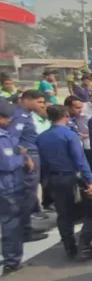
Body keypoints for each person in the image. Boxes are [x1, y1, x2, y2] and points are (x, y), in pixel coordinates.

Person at [37, 104, 92, 261]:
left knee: (64, 215)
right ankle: (86, 245)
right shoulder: (69, 135)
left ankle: (69, 248)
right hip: (73, 178)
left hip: (55, 178)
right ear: (66, 115)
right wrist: (90, 181)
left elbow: (43, 164)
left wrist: (45, 181)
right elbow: (80, 161)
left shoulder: (42, 137)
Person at [10, 90, 50, 241]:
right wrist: (25, 157)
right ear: (27, 100)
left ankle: (26, 227)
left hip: (33, 155)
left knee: (30, 195)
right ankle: (24, 231)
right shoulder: (19, 117)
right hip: (28, 159)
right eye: (39, 102)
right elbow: (13, 140)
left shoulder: (26, 115)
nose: (42, 105)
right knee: (27, 195)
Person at [0, 100, 33, 275]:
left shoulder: (5, 135)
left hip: (8, 185)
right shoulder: (1, 138)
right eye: (7, 118)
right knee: (11, 223)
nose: (10, 121)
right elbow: (7, 164)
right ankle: (12, 260)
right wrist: (22, 158)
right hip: (7, 186)